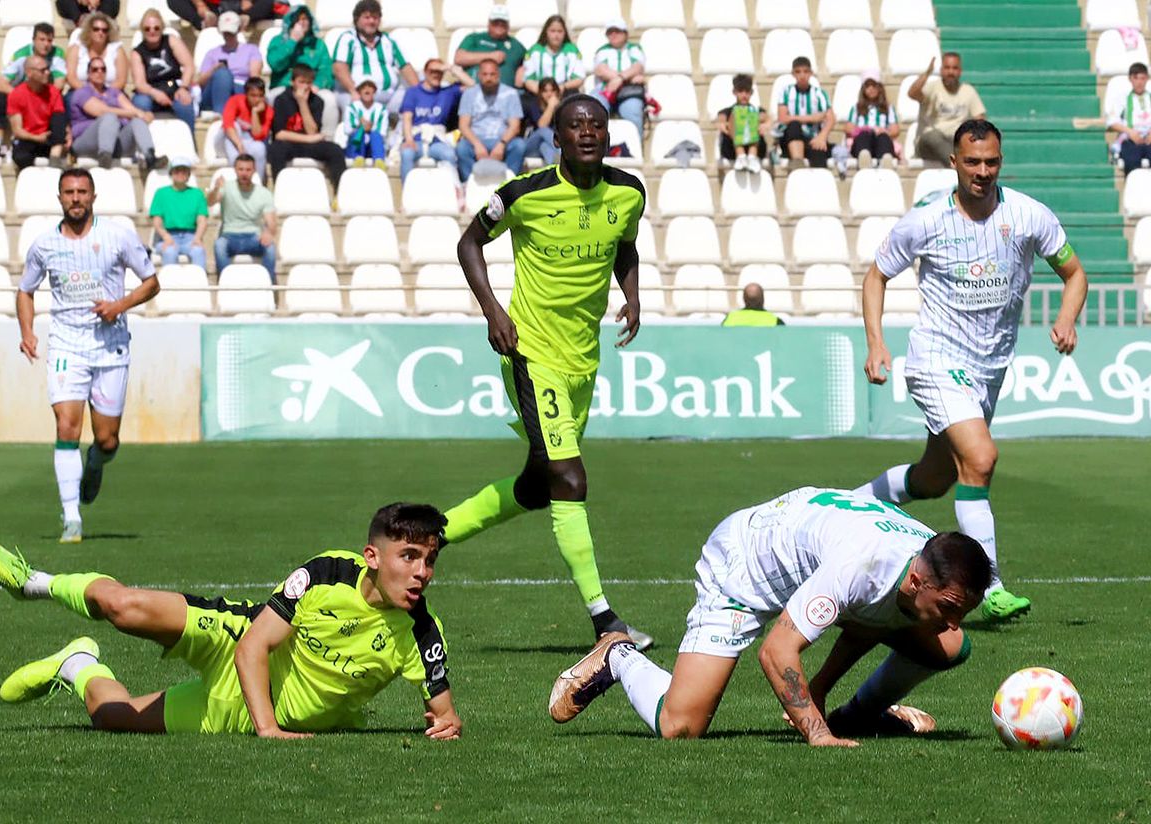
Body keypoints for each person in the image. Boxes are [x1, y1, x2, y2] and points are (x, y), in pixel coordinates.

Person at [0, 502, 462, 740]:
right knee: (125, 607)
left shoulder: (421, 633)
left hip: (240, 711)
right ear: (372, 556)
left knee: (113, 719)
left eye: (430, 560)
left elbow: (444, 715)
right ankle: (34, 581)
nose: (422, 573)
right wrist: (269, 730)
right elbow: (254, 647)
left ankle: (75, 666)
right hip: (237, 641)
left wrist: (448, 724)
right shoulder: (328, 571)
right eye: (410, 556)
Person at [855, 119, 1089, 622]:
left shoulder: (1029, 215)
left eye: (991, 162)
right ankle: (991, 586)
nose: (982, 172)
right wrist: (876, 342)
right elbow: (876, 276)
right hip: (937, 359)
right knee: (981, 458)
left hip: (989, 368)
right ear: (954, 163)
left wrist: (1066, 316)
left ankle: (849, 506)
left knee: (935, 478)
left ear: (999, 162)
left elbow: (1073, 273)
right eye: (972, 162)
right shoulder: (926, 219)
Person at [443, 93, 652, 650]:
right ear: (555, 137)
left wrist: (631, 296)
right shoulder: (523, 195)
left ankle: (430, 535)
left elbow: (625, 248)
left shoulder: (629, 193)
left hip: (584, 359)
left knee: (538, 486)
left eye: (597, 125)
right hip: (532, 354)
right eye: (575, 125)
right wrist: (494, 312)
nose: (587, 132)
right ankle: (606, 623)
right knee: (570, 478)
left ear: (609, 136)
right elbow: (469, 242)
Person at [549, 486, 992, 744]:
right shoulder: (863, 565)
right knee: (680, 725)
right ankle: (618, 654)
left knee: (948, 645)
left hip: (812, 550)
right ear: (917, 582)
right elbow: (777, 652)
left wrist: (819, 692)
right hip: (744, 564)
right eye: (951, 608)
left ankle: (859, 715)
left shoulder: (922, 558)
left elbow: (870, 615)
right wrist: (817, 733)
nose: (955, 619)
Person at [15, 168, 159, 543]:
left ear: (93, 197)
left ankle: (96, 461)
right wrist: (27, 331)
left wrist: (119, 305)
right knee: (66, 427)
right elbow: (25, 290)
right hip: (67, 345)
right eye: (68, 192)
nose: (75, 198)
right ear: (59, 198)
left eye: (82, 191)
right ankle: (71, 518)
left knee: (107, 439)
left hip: (111, 345)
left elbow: (152, 282)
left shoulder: (117, 237)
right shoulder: (44, 245)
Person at [69, 56, 160, 170]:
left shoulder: (114, 92)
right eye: (95, 69)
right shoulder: (81, 93)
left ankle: (150, 156)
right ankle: (105, 158)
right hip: (86, 142)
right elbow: (101, 111)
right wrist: (136, 113)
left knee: (137, 121)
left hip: (114, 141)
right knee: (109, 117)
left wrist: (143, 114)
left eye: (103, 69)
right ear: (88, 73)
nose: (100, 72)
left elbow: (131, 109)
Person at [331, 0, 418, 116]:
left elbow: (405, 67)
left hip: (389, 96)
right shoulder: (348, 39)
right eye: (367, 17)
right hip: (355, 95)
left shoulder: (389, 41)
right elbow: (339, 68)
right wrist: (353, 91)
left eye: (375, 17)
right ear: (357, 19)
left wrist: (420, 93)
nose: (371, 21)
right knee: (354, 110)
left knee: (412, 100)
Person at [267, 62, 346, 185]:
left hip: (310, 145)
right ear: (293, 82)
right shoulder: (281, 100)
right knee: (276, 150)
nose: (305, 86)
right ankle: (279, 188)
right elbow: (279, 134)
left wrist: (302, 102)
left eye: (308, 83)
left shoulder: (317, 101)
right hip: (289, 143)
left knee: (335, 150)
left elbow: (312, 131)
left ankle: (339, 191)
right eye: (301, 82)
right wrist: (309, 139)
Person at [266, 5, 336, 135]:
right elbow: (275, 64)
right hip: (284, 87)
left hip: (311, 88)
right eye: (298, 19)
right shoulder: (278, 41)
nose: (302, 22)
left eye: (305, 19)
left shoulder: (318, 44)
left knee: (329, 99)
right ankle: (275, 136)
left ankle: (326, 138)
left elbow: (326, 70)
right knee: (272, 97)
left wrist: (317, 85)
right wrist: (292, 41)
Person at [399, 59, 471, 182]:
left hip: (437, 139)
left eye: (439, 72)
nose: (436, 75)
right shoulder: (413, 92)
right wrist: (409, 139)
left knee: (449, 155)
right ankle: (407, 192)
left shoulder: (448, 92)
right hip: (417, 138)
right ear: (425, 72)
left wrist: (450, 68)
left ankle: (454, 191)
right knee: (407, 154)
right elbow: (407, 118)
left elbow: (473, 86)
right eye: (432, 71)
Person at [0, 22, 68, 136]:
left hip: (45, 95)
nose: (46, 44)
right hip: (20, 95)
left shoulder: (57, 54)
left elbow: (59, 84)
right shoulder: (21, 55)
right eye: (42, 39)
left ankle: (57, 141)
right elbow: (1, 84)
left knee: (64, 101)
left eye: (49, 40)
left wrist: (38, 98)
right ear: (34, 40)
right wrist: (25, 97)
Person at [209, 153, 277, 281]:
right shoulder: (226, 188)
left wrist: (268, 233)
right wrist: (216, 188)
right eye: (240, 169)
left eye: (248, 169)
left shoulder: (264, 193)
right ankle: (226, 284)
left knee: (271, 248)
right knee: (219, 245)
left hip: (254, 237)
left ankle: (269, 286)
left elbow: (272, 223)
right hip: (229, 236)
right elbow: (210, 202)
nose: (244, 173)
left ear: (254, 171)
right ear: (235, 170)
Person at [910, 53, 986, 166]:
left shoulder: (968, 91)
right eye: (947, 68)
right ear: (941, 70)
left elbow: (980, 120)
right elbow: (912, 93)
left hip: (955, 141)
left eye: (954, 68)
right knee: (933, 137)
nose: (951, 72)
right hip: (929, 143)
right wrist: (927, 74)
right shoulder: (933, 87)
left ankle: (962, 164)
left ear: (960, 71)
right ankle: (959, 166)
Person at [456, 59, 525, 181]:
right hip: (476, 140)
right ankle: (469, 184)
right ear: (479, 75)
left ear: (498, 75)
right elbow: (463, 125)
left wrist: (501, 144)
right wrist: (477, 144)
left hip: (502, 139)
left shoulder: (511, 94)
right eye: (485, 74)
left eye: (492, 74)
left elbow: (515, 126)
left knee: (519, 146)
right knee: (461, 148)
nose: (488, 78)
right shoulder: (469, 94)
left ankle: (510, 184)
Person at [130, 8, 196, 133]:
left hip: (172, 84)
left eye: (156, 28)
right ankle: (145, 145)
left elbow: (188, 65)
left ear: (162, 28)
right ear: (142, 31)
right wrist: (155, 93)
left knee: (184, 103)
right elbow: (140, 83)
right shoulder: (137, 53)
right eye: (147, 29)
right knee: (141, 102)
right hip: (150, 90)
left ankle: (190, 143)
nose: (152, 31)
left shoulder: (171, 41)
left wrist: (184, 87)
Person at [8, 55, 71, 170]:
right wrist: (37, 138)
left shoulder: (53, 92)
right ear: (29, 73)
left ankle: (55, 158)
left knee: (59, 117)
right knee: (21, 157)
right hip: (29, 138)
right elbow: (17, 130)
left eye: (48, 69)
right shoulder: (17, 94)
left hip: (48, 138)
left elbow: (59, 120)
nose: (47, 73)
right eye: (42, 70)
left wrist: (66, 134)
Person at [197, 10, 264, 116]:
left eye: (231, 33)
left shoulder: (251, 50)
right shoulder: (212, 53)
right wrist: (214, 69)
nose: (228, 36)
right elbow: (200, 83)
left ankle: (224, 115)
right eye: (226, 33)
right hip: (215, 91)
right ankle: (222, 115)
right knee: (222, 74)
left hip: (241, 89)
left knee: (226, 77)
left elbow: (254, 77)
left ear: (238, 30)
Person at [590, 19, 646, 140]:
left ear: (625, 34)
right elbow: (600, 70)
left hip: (628, 91)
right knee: (595, 110)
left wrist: (619, 79)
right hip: (606, 88)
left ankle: (635, 148)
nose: (613, 35)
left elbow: (638, 67)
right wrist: (625, 77)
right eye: (610, 32)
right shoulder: (602, 50)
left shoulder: (635, 49)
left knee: (633, 111)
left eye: (618, 31)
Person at [150, 157, 209, 269]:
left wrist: (198, 238)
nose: (180, 174)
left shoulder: (197, 194)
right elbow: (157, 221)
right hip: (167, 235)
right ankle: (169, 285)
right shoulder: (161, 193)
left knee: (198, 251)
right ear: (171, 173)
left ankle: (200, 284)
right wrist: (166, 236)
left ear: (188, 174)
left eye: (184, 171)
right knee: (169, 252)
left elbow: (202, 220)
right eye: (177, 170)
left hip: (190, 236)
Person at [775, 56, 833, 170]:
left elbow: (831, 118)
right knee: (794, 126)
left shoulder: (819, 93)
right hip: (790, 139)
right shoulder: (786, 91)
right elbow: (782, 118)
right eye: (798, 72)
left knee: (819, 152)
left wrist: (822, 136)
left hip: (813, 138)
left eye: (805, 72)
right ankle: (798, 164)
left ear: (811, 73)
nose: (802, 75)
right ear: (793, 74)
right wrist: (813, 118)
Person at [454, 5, 525, 89]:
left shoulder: (516, 45)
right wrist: (490, 56)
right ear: (488, 23)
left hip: (506, 96)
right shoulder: (474, 38)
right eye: (496, 22)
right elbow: (459, 58)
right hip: (474, 91)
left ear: (508, 25)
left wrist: (522, 72)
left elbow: (528, 62)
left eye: (503, 22)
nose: (499, 24)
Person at [842, 70, 899, 169]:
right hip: (863, 138)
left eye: (874, 85)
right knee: (864, 135)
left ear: (879, 88)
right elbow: (848, 128)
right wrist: (863, 129)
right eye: (867, 86)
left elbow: (895, 130)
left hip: (880, 138)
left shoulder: (888, 108)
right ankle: (864, 158)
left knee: (883, 138)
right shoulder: (856, 108)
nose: (871, 89)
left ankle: (885, 161)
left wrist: (884, 131)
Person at [221, 77, 272, 178]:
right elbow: (228, 125)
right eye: (253, 95)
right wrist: (239, 145)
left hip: (248, 141)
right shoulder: (235, 100)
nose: (257, 99)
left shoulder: (268, 110)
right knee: (235, 127)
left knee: (260, 148)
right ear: (246, 95)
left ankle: (258, 183)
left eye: (260, 96)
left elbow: (257, 136)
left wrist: (255, 112)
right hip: (226, 139)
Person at [718, 73, 769, 173]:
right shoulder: (726, 112)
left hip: (756, 147)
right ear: (734, 92)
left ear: (751, 92)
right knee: (738, 116)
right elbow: (721, 122)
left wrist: (764, 125)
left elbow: (767, 119)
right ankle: (741, 155)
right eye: (740, 92)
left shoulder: (758, 111)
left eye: (747, 92)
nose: (744, 95)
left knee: (751, 116)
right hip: (731, 148)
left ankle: (751, 156)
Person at [66, 12, 128, 93]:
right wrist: (91, 93)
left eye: (104, 30)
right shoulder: (77, 48)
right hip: (81, 92)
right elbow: (71, 78)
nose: (100, 33)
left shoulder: (117, 50)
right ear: (89, 31)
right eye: (96, 29)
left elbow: (121, 80)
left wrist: (103, 94)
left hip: (110, 93)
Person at [522, 15, 584, 97]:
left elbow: (579, 78)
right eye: (552, 31)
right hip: (539, 94)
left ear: (564, 33)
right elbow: (528, 79)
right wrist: (544, 93)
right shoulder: (534, 51)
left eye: (560, 31)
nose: (556, 35)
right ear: (546, 32)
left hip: (565, 91)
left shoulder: (572, 50)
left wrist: (562, 87)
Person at [1108, 62, 1151, 174]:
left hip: (1149, 139)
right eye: (1136, 78)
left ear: (1147, 79)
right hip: (1131, 140)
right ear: (1130, 79)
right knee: (1132, 163)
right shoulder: (1122, 98)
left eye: (1142, 78)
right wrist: (1130, 132)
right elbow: (1112, 121)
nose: (1139, 82)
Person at [344, 79, 387, 168]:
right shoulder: (352, 108)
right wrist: (359, 125)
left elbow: (383, 132)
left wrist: (370, 128)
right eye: (364, 89)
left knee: (375, 135)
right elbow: (347, 130)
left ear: (374, 93)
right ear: (359, 92)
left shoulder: (381, 109)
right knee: (358, 133)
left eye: (370, 89)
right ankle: (358, 158)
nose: (367, 90)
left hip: (373, 145)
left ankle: (379, 161)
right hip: (355, 144)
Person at [523, 77, 560, 167]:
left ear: (557, 92)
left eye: (552, 91)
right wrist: (551, 106)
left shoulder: (562, 107)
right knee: (544, 130)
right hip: (531, 145)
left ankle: (554, 169)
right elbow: (541, 125)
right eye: (545, 91)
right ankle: (564, 154)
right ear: (540, 93)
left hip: (546, 146)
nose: (549, 94)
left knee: (545, 146)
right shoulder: (534, 105)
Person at [168, 0, 278, 30]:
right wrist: (200, 5)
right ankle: (203, 23)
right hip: (211, 9)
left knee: (267, 2)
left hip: (239, 9)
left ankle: (245, 19)